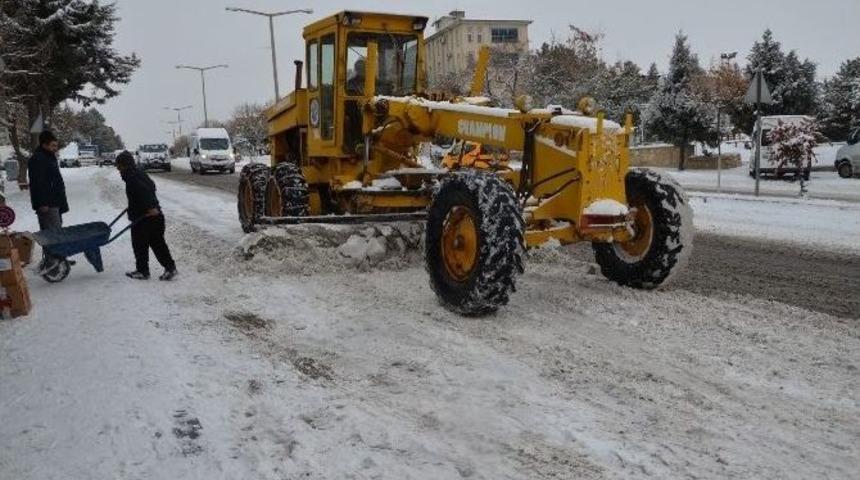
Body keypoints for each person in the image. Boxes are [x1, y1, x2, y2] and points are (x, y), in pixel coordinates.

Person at [115, 151, 177, 281]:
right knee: (158, 243)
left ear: (125, 165)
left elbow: (144, 191)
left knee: (140, 245)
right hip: (153, 216)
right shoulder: (138, 174)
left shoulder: (132, 177)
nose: (118, 169)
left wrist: (150, 207)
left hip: (146, 218)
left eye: (119, 166)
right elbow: (151, 187)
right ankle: (170, 268)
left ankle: (143, 271)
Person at [28, 130, 68, 232]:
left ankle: (53, 248)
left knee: (55, 230)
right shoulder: (38, 159)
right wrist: (42, 203)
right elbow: (37, 183)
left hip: (54, 201)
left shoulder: (49, 157)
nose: (56, 148)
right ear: (44, 145)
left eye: (56, 145)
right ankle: (52, 248)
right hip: (47, 204)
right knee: (52, 233)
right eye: (53, 145)